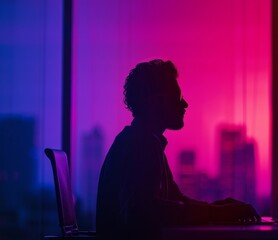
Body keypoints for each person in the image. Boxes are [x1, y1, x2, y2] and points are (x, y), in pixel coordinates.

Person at [96, 59, 260, 240]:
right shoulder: (142, 145)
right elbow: (144, 211)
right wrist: (215, 212)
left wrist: (217, 209)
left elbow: (175, 201)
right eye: (177, 98)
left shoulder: (143, 141)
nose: (185, 104)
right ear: (156, 102)